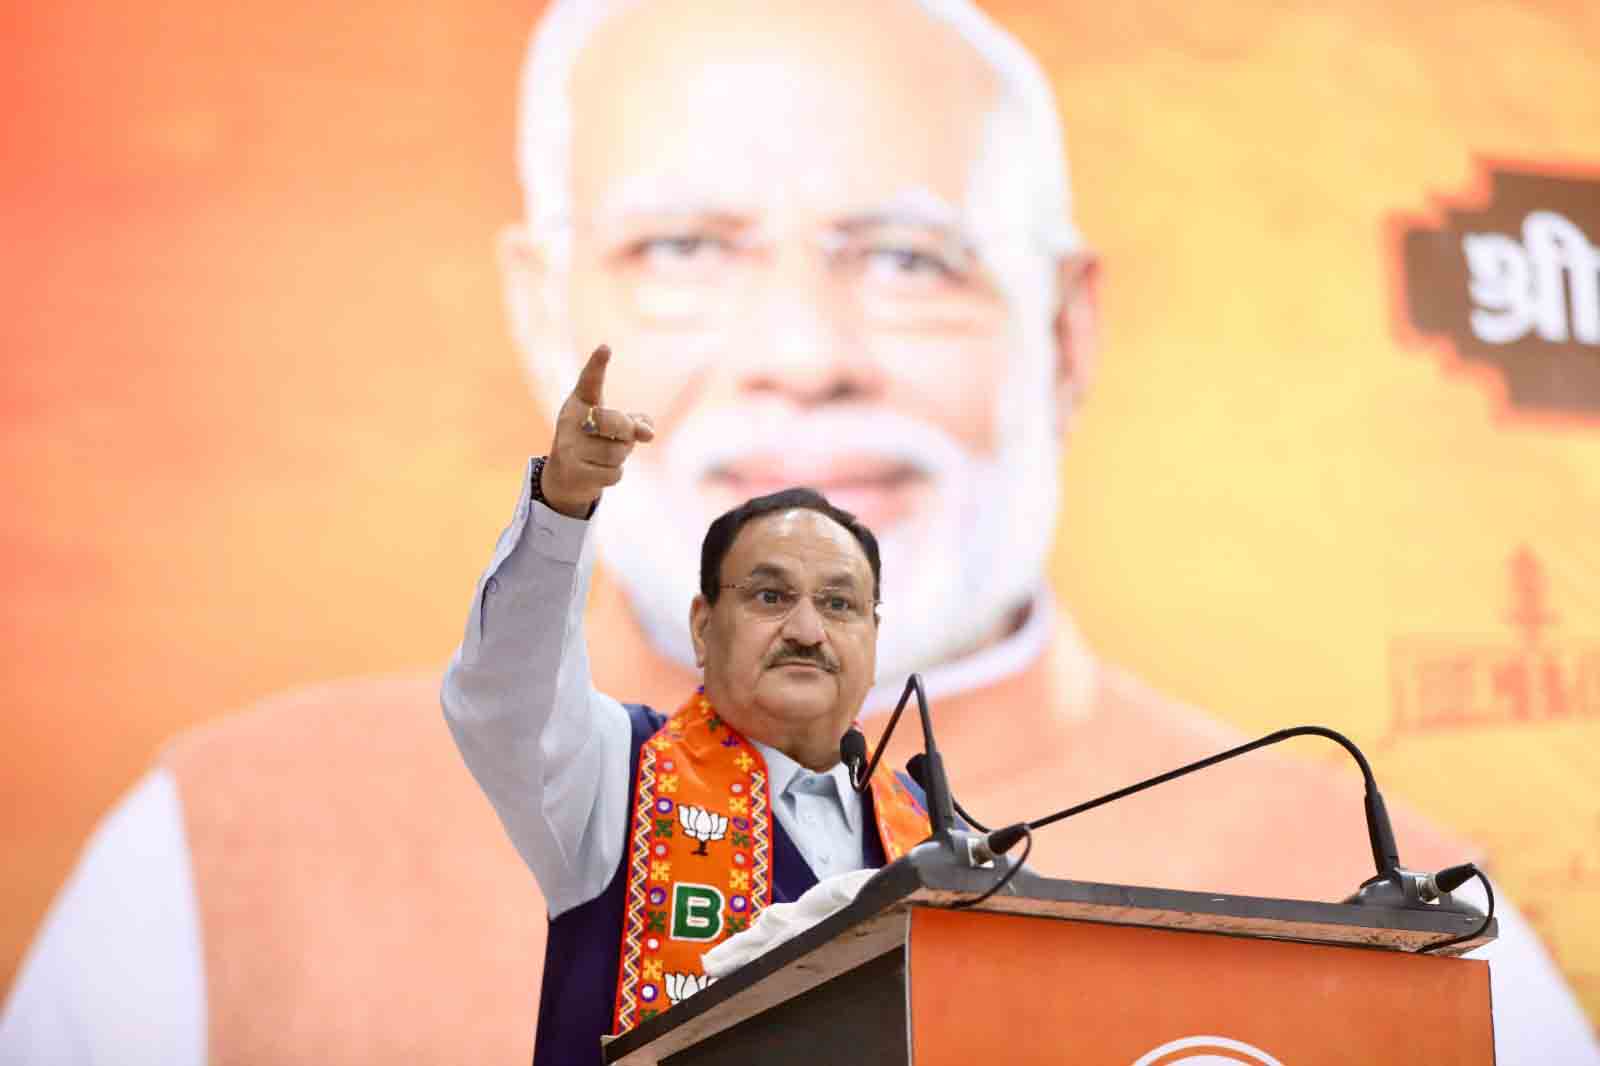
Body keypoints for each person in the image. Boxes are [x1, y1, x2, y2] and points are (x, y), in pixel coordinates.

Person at [4, 1, 1596, 1063]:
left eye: (907, 260)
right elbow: (499, 697)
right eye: (688, 247)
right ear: (544, 303)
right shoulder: (239, 845)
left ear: (1062, 329)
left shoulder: (1333, 875)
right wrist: (562, 505)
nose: (805, 351)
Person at [443, 343, 935, 1062]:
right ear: (703, 626)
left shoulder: (926, 829)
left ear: (873, 633)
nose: (806, 630)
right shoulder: (617, 774)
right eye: (770, 596)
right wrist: (564, 506)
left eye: (838, 603)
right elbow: (508, 691)